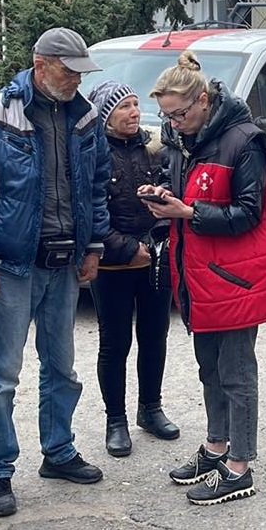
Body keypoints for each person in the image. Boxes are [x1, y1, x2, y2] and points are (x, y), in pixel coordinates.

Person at [0, 27, 111, 518]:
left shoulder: (85, 116)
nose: (77, 82)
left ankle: (58, 452)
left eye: (82, 73)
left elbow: (97, 186)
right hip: (12, 264)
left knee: (62, 367)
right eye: (69, 71)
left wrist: (95, 245)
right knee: (3, 374)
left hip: (65, 263)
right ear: (41, 66)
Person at [141, 51, 266, 506]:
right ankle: (216, 447)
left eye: (180, 113)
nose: (173, 123)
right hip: (198, 272)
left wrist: (186, 212)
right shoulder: (184, 140)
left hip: (236, 276)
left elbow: (249, 213)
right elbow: (190, 192)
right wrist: (163, 197)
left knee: (237, 370)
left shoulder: (246, 141)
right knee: (209, 366)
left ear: (204, 101)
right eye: (166, 116)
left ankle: (240, 466)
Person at [86, 79, 179, 457]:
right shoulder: (93, 153)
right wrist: (126, 250)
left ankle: (150, 409)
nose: (134, 112)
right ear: (107, 115)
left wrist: (160, 220)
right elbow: (91, 214)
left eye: (137, 105)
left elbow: (171, 190)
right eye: (124, 106)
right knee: (115, 343)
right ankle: (116, 421)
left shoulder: (153, 148)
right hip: (112, 265)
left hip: (154, 257)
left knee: (155, 335)